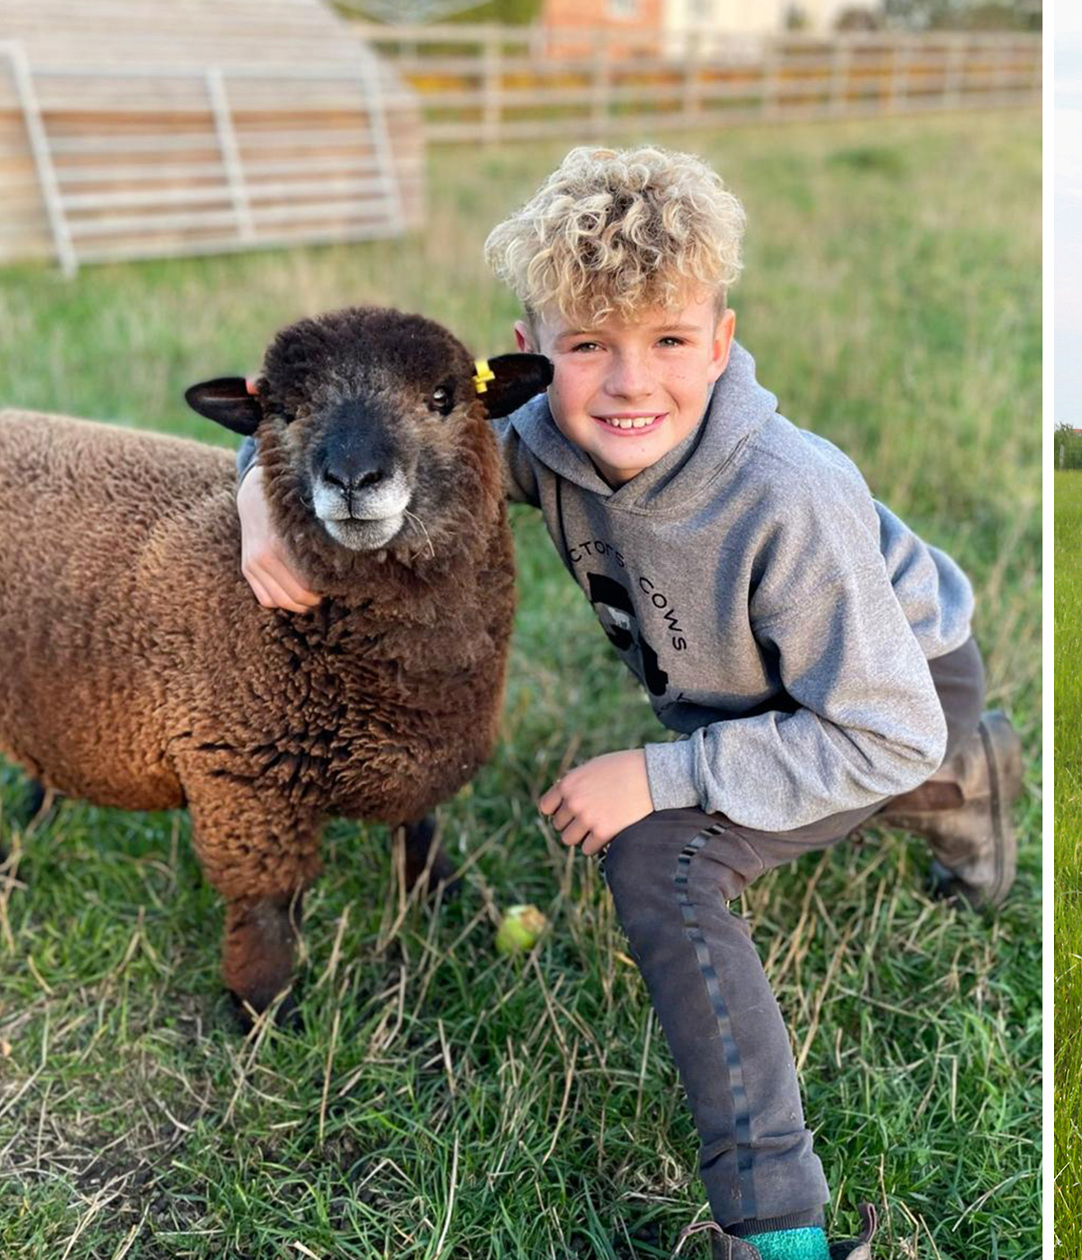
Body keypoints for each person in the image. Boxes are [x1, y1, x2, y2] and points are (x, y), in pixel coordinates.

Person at [232, 145, 1022, 1260]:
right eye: (587, 345)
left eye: (667, 342)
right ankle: (961, 774)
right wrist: (258, 504)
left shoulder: (790, 494)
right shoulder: (536, 437)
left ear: (722, 342)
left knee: (666, 859)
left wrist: (655, 777)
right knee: (749, 782)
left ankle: (779, 1231)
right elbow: (351, 426)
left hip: (892, 689)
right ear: (528, 355)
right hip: (745, 704)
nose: (629, 383)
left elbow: (874, 726)